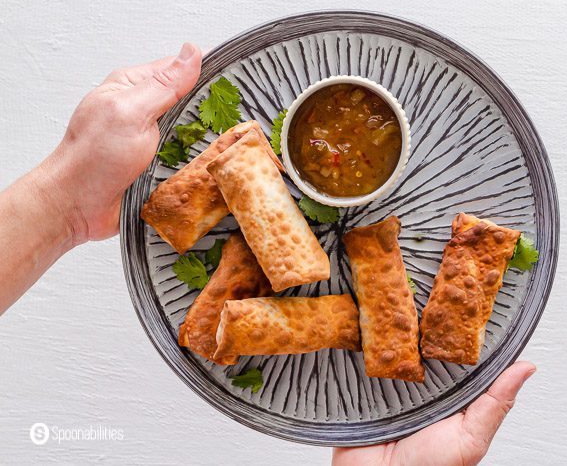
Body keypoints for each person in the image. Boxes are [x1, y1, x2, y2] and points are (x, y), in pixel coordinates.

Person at [0, 43, 535, 466]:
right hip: (296, 260)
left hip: (322, 269)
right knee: (258, 226)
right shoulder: (256, 177)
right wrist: (68, 202)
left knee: (276, 232)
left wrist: (67, 204)